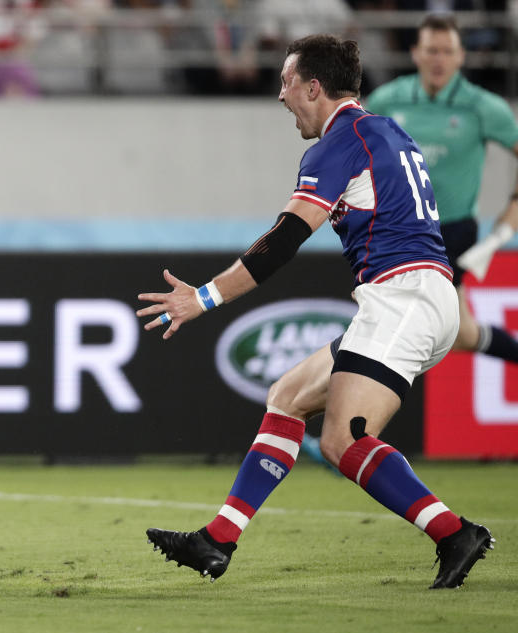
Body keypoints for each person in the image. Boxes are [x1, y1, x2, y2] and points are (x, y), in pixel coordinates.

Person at [137, 34, 494, 589]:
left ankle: (454, 533)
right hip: (423, 296)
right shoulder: (388, 130)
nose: (281, 97)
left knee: (344, 440)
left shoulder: (339, 141)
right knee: (286, 396)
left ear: (313, 87)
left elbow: (282, 241)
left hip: (402, 299)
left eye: (286, 83)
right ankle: (218, 540)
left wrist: (202, 297)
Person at [364, 14, 518, 365]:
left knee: (407, 328)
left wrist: (511, 212)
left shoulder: (481, 107)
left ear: (461, 56)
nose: (439, 59)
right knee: (461, 333)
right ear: (416, 53)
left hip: (452, 232)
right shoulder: (389, 100)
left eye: (447, 51)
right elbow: (353, 148)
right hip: (398, 229)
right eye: (431, 50)